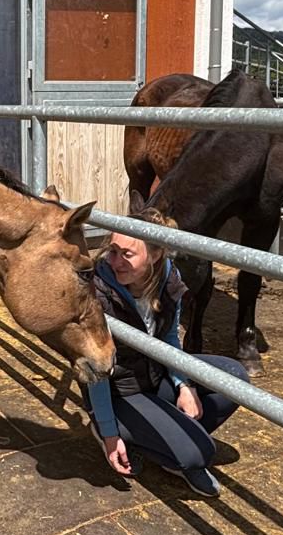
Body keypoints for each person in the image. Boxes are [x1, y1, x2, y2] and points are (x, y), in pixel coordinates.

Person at [83, 209, 251, 497]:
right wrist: (110, 434)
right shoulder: (97, 291)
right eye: (112, 250)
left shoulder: (169, 277)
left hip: (155, 377)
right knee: (198, 455)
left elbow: (170, 336)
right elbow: (96, 369)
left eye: (127, 254)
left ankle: (166, 440)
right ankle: (112, 428)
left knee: (234, 377)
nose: (114, 261)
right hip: (120, 390)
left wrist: (183, 384)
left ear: (156, 255)